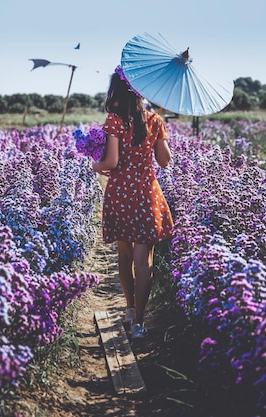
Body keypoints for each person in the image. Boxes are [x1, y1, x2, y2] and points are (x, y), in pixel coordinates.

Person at [92, 66, 174, 339]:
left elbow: (111, 162)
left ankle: (129, 308)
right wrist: (160, 135)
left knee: (124, 256)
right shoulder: (155, 120)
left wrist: (96, 165)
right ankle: (139, 321)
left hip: (120, 195)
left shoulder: (115, 120)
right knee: (144, 262)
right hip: (146, 194)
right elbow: (164, 161)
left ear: (117, 91)